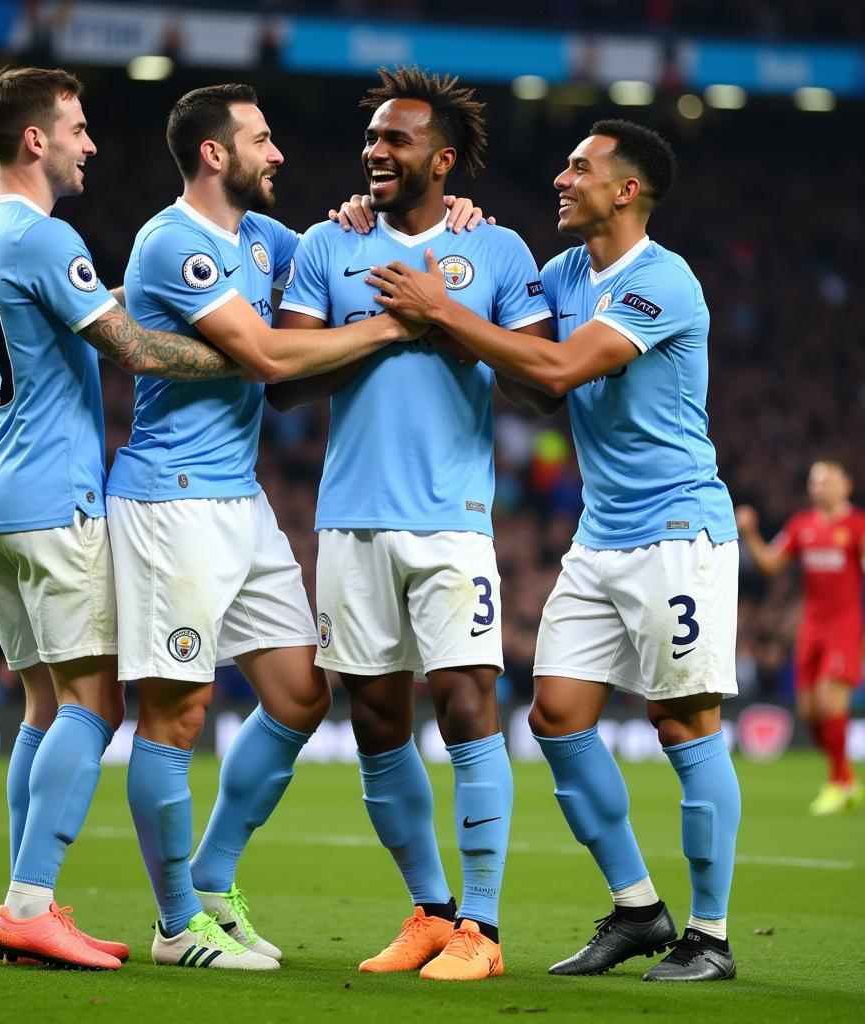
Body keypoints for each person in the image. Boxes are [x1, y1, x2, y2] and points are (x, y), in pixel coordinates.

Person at [105, 83, 480, 972]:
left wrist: (434, 213)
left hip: (241, 501)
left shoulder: (266, 239)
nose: (279, 155)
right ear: (212, 154)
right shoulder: (174, 243)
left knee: (304, 695)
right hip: (170, 500)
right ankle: (174, 927)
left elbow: (345, 242)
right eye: (261, 140)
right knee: (177, 712)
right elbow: (270, 357)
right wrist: (397, 325)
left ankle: (211, 878)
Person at [370, 119, 741, 983]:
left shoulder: (665, 282)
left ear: (627, 190)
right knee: (556, 718)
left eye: (581, 167)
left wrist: (445, 310)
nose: (561, 178)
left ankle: (713, 938)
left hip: (679, 533)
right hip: (601, 534)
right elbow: (517, 344)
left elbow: (562, 369)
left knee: (682, 721)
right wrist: (452, 227)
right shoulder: (565, 272)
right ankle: (640, 910)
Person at [0, 66, 241, 971]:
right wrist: (247, 356)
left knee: (43, 704)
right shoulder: (44, 236)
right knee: (95, 701)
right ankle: (30, 904)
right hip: (50, 497)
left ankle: (25, 896)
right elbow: (131, 348)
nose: (90, 142)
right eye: (75, 127)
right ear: (35, 139)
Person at [270, 66, 552, 982]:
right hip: (349, 517)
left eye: (396, 140)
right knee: (377, 717)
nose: (375, 151)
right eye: (372, 139)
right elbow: (287, 380)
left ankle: (485, 928)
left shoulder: (501, 252)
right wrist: (389, 329)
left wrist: (445, 318)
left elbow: (536, 386)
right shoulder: (328, 242)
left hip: (451, 519)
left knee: (468, 703)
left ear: (447, 157)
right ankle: (431, 912)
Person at [736, 460, 865, 814]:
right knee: (808, 713)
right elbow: (770, 564)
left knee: (829, 703)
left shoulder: (857, 527)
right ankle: (846, 779)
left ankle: (840, 782)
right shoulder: (801, 525)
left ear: (846, 485)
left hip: (844, 626)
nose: (819, 486)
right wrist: (750, 532)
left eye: (827, 479)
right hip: (811, 628)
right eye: (814, 480)